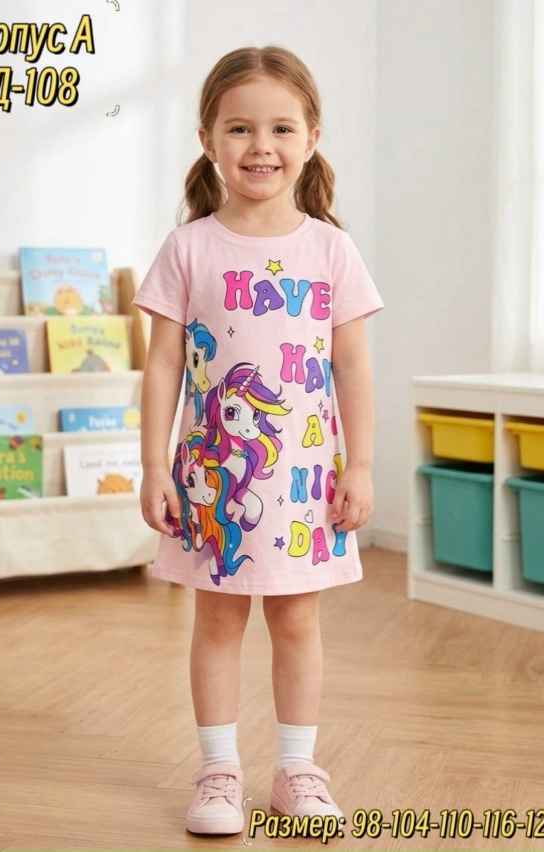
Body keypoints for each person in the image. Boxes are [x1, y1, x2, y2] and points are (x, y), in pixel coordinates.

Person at [133, 45, 383, 836]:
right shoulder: (188, 248)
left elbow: (352, 366)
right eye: (239, 128)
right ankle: (218, 772)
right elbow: (162, 364)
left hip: (306, 481)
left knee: (297, 623)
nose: (260, 146)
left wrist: (362, 465)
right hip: (212, 478)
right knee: (215, 622)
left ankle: (297, 770)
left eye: (280, 128)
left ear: (311, 139)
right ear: (208, 139)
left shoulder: (331, 250)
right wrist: (152, 465)